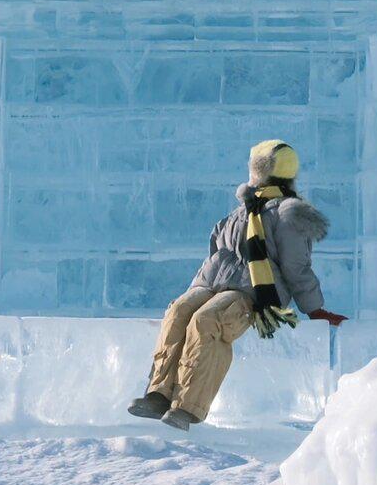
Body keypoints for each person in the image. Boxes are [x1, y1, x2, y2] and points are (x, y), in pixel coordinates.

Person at [127, 138, 347, 429]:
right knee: (179, 312)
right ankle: (158, 393)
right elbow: (215, 255)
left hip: (254, 291)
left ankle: (188, 405)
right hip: (214, 283)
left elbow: (297, 267)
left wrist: (314, 309)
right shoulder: (242, 211)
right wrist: (196, 290)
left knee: (207, 320)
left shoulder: (287, 213)